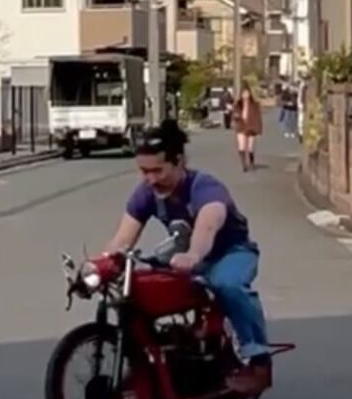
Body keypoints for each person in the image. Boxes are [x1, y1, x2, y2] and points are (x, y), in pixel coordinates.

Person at [106, 119, 269, 374]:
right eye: (144, 171)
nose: (150, 180)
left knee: (226, 283)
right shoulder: (146, 193)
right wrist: (101, 266)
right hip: (184, 257)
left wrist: (193, 254)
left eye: (158, 171)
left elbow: (208, 224)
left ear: (179, 161)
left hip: (230, 252)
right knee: (140, 288)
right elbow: (123, 239)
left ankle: (258, 358)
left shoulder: (204, 187)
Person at [233, 84, 262, 172]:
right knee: (242, 146)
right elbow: (234, 115)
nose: (245, 95)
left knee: (250, 147)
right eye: (243, 93)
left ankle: (251, 161)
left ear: (250, 94)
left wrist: (258, 130)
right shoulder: (238, 104)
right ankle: (244, 165)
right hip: (241, 126)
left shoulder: (254, 105)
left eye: (247, 93)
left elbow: (258, 118)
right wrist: (236, 116)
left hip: (251, 127)